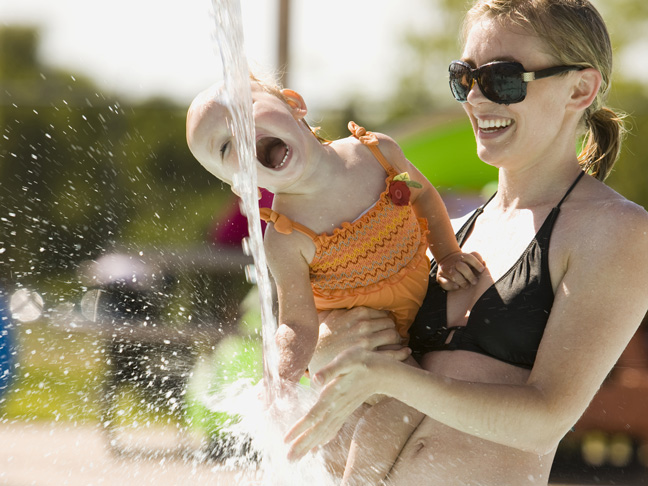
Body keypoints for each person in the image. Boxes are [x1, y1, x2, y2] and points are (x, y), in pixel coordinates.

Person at [284, 1, 648, 485]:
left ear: (580, 88)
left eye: (503, 79)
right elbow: (328, 345)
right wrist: (330, 345)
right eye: (465, 77)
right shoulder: (449, 232)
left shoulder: (613, 230)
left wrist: (395, 379)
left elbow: (546, 420)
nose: (476, 99)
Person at [186, 76, 484, 484]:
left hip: (408, 320)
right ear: (238, 183)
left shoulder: (377, 153)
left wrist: (447, 254)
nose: (240, 135)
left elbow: (424, 196)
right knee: (402, 404)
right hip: (357, 342)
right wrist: (282, 377)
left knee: (348, 428)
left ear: (295, 104)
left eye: (245, 111)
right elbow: (297, 322)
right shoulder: (287, 238)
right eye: (225, 147)